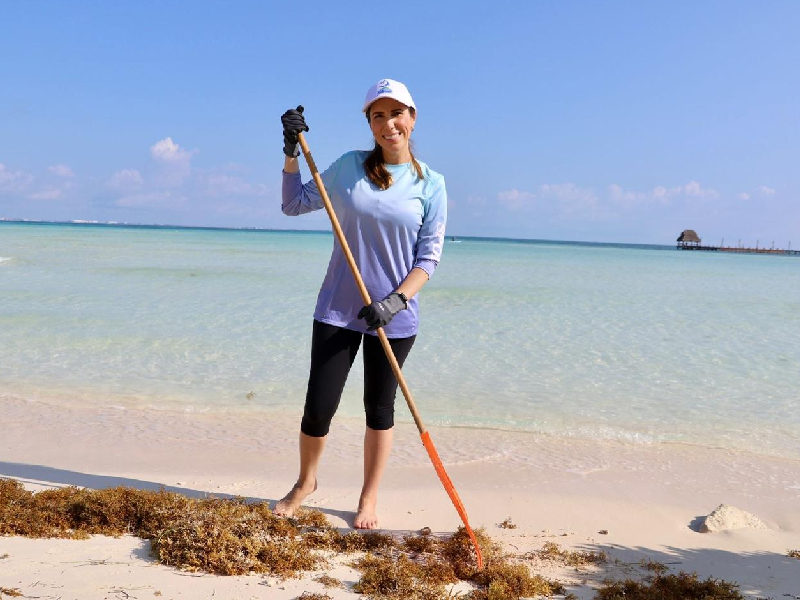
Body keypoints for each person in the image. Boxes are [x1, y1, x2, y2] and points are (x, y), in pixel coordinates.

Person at [275, 78, 447, 529]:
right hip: (337, 308)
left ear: (412, 118)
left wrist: (395, 302)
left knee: (380, 409)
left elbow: (428, 259)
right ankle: (304, 483)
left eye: (396, 113)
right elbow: (292, 205)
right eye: (378, 115)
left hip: (394, 319)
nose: (388, 123)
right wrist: (292, 152)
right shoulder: (349, 167)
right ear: (369, 123)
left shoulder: (432, 184)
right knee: (319, 405)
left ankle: (368, 498)